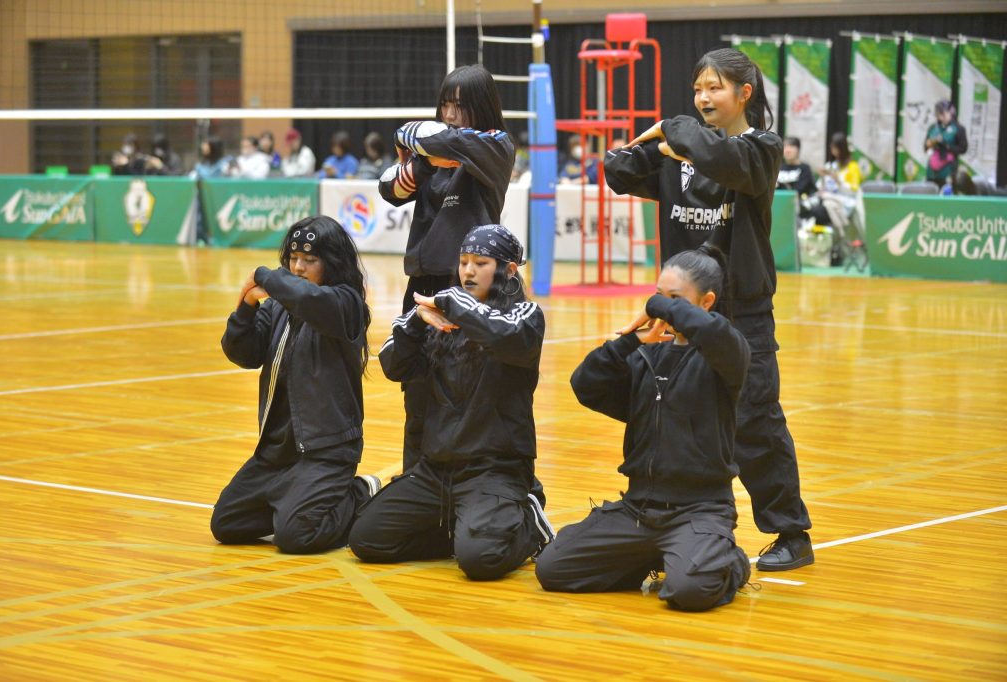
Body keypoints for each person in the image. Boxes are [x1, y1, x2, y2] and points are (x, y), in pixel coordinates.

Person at [604, 47, 814, 571]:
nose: (703, 98)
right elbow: (618, 171)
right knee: (682, 415)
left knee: (755, 422)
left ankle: (791, 533)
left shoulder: (760, 149)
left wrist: (674, 132)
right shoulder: (679, 151)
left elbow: (720, 158)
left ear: (745, 94)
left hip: (743, 312)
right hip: (683, 313)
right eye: (698, 88)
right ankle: (691, 526)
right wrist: (647, 144)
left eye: (714, 87)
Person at [537, 246, 751, 611]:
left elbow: (711, 331)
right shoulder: (646, 354)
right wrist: (629, 341)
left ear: (707, 302)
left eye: (674, 300)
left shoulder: (727, 352)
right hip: (638, 510)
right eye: (658, 296)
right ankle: (656, 555)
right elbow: (585, 384)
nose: (661, 309)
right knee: (553, 568)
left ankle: (730, 562)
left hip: (699, 510)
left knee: (688, 592)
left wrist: (656, 305)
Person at [348, 224, 554, 580]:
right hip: (436, 471)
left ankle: (529, 521)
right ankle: (463, 532)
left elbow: (505, 335)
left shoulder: (525, 315)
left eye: (481, 263)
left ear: (509, 270)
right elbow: (393, 365)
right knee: (367, 539)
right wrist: (417, 321)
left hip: (495, 469)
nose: (468, 271)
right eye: (463, 262)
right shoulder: (441, 317)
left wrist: (455, 304)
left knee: (481, 561)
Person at [210, 215, 379, 554]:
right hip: (276, 453)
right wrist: (246, 308)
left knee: (296, 536)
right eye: (293, 258)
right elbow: (243, 353)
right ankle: (295, 501)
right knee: (226, 522)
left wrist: (265, 276)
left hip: (325, 453)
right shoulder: (279, 307)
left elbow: (310, 300)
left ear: (331, 263)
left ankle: (359, 492)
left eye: (310, 260)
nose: (298, 267)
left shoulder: (346, 304)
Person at [378, 63, 515, 471]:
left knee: (464, 389)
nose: (450, 114)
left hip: (470, 286)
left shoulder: (497, 145)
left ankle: (470, 482)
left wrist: (418, 141)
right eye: (445, 104)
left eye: (460, 105)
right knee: (416, 388)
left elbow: (429, 136)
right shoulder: (433, 158)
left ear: (482, 106)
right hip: (422, 286)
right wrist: (421, 156)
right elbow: (388, 187)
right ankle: (415, 480)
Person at [818, 132, 863, 249]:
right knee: (822, 207)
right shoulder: (831, 166)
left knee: (825, 208)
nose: (833, 151)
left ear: (842, 148)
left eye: (835, 148)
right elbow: (822, 187)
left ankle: (840, 241)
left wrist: (838, 180)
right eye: (832, 148)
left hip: (846, 202)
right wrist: (823, 177)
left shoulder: (853, 167)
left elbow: (853, 190)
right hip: (829, 198)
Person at [777, 136, 827, 226]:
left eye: (791, 146)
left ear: (798, 150)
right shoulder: (778, 168)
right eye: (785, 146)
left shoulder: (805, 168)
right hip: (779, 206)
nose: (787, 150)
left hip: (801, 209)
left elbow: (799, 190)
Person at [925, 100, 968, 189]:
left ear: (951, 112)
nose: (941, 117)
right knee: (930, 191)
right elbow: (925, 147)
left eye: (943, 113)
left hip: (948, 170)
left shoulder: (958, 128)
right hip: (932, 170)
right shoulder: (933, 128)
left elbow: (963, 148)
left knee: (947, 191)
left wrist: (946, 146)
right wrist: (930, 144)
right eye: (938, 114)